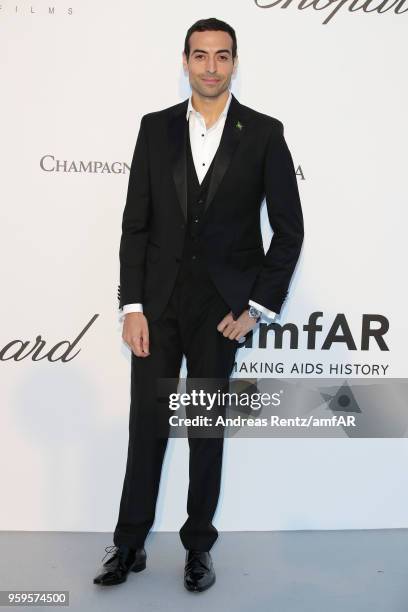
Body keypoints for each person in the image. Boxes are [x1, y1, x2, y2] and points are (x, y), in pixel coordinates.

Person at [93, 17, 304, 593]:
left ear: (235, 62)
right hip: (157, 306)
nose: (210, 66)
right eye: (200, 55)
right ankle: (129, 543)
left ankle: (198, 548)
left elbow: (288, 230)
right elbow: (135, 225)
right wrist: (130, 305)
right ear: (184, 60)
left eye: (222, 55)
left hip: (221, 311)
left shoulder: (263, 132)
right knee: (147, 426)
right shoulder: (154, 128)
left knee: (206, 429)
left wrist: (256, 305)